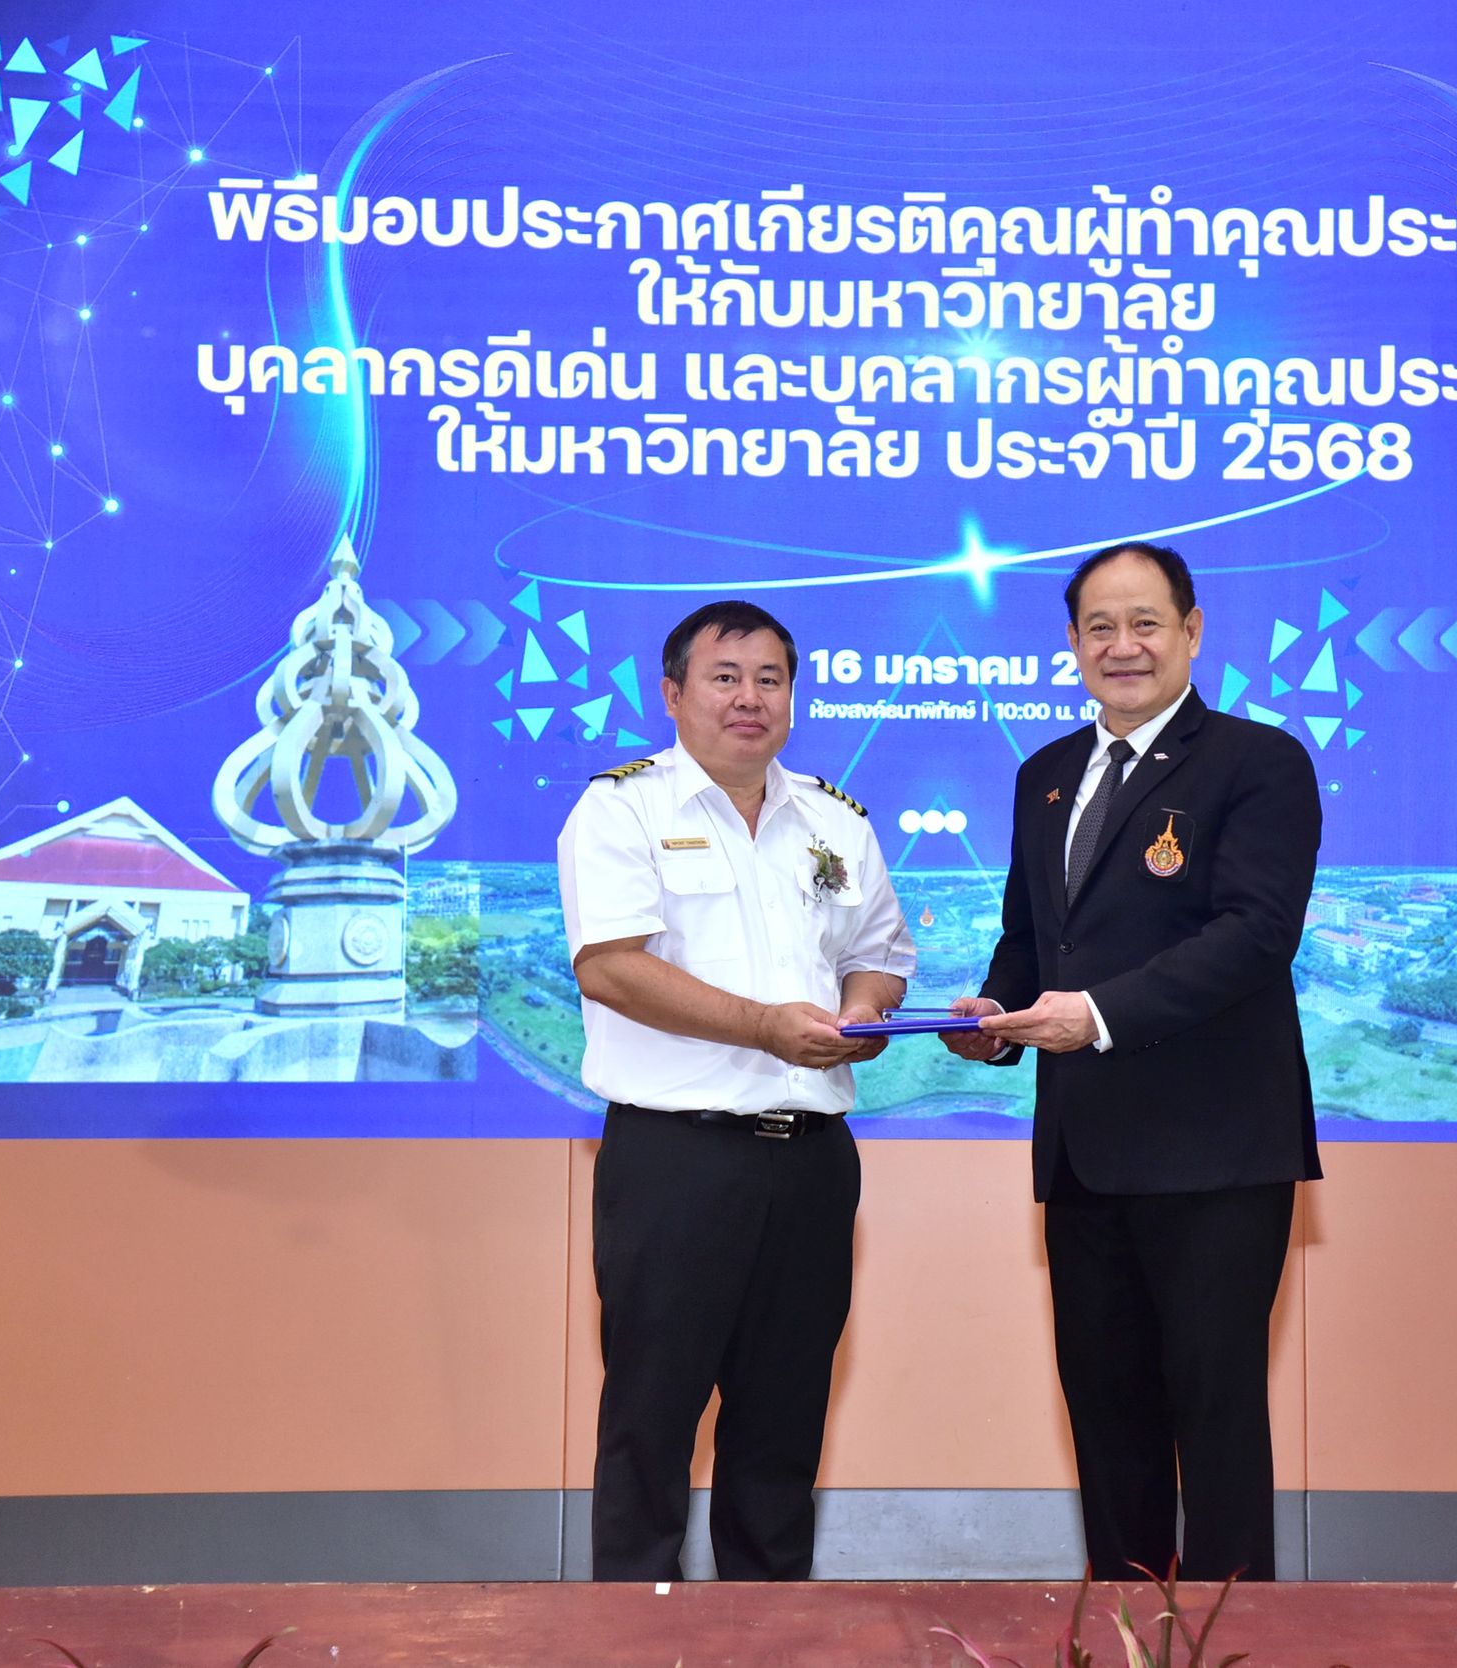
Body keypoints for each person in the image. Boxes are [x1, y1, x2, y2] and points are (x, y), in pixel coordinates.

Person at [942, 541, 1322, 1581]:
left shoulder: (1258, 762)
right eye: (1100, 627)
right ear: (1072, 643)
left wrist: (1097, 1017)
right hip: (1083, 1154)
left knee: (1214, 1415)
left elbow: (1255, 936)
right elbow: (1034, 941)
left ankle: (1232, 1637)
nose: (1123, 646)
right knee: (1106, 1419)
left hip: (1215, 1156)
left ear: (1191, 632)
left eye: (1145, 623)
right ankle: (1121, 1632)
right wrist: (995, 1012)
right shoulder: (1044, 776)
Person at [557, 599, 914, 1582]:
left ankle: (769, 1635)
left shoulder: (835, 819)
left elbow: (883, 956)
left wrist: (861, 1010)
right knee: (651, 1421)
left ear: (792, 697)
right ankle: (635, 1636)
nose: (749, 698)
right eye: (724, 678)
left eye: (769, 679)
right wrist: (764, 1026)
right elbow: (610, 967)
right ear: (673, 694)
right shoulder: (623, 809)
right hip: (676, 1159)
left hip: (811, 1164)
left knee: (784, 1425)